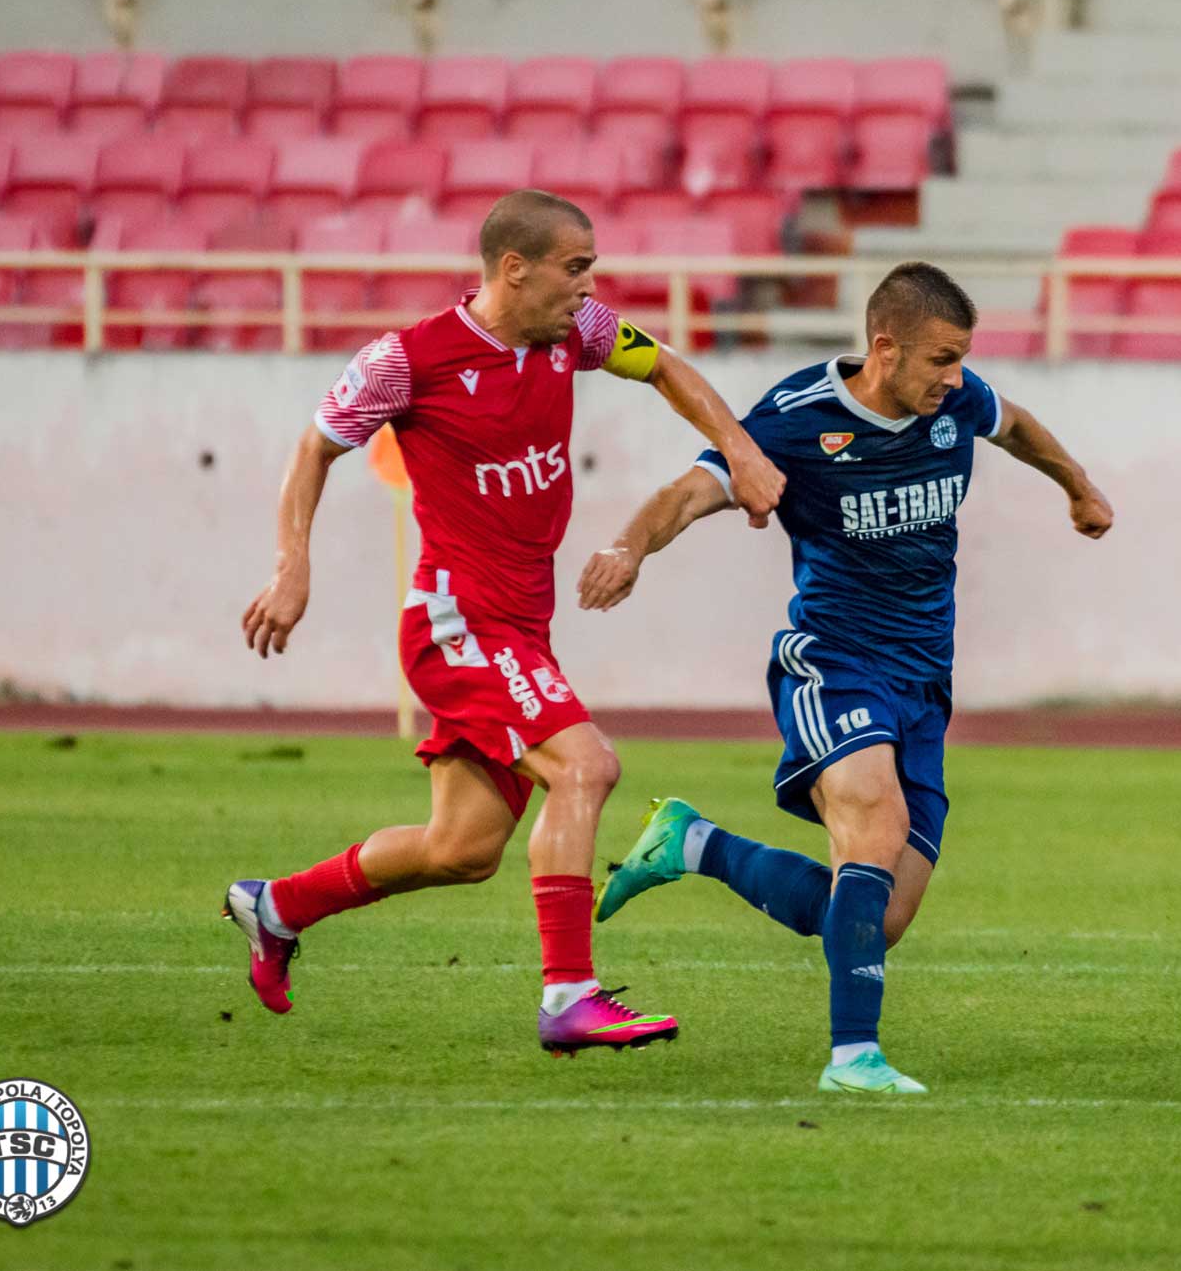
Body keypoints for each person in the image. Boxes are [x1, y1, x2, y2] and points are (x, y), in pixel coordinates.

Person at [226, 189, 785, 1056]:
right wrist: (292, 566)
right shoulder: (407, 361)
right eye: (575, 267)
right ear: (513, 268)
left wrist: (742, 452)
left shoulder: (581, 334)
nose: (588, 286)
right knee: (587, 767)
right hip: (457, 621)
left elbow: (670, 367)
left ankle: (278, 906)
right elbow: (314, 448)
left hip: (522, 625)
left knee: (462, 849)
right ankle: (569, 996)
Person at [574, 262, 1114, 1093]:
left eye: (963, 358)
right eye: (940, 358)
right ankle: (853, 1058)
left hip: (924, 683)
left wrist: (1078, 486)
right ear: (885, 347)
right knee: (875, 826)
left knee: (877, 917)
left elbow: (1016, 426)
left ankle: (693, 842)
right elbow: (690, 492)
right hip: (832, 663)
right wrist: (628, 547)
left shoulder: (955, 403)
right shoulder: (796, 420)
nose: (955, 377)